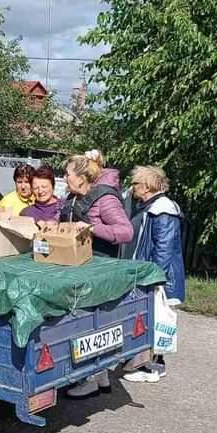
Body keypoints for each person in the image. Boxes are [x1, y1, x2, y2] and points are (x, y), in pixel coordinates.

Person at [60, 151, 134, 399]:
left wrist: (93, 227)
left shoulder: (104, 199)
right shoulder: (72, 197)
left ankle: (90, 378)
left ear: (81, 177)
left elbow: (125, 232)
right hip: (77, 270)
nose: (64, 177)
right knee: (86, 323)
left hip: (99, 270)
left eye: (67, 173)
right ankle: (99, 375)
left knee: (91, 324)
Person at [122, 165, 186, 384]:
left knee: (157, 321)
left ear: (148, 186)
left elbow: (164, 249)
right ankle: (142, 362)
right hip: (147, 273)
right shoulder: (150, 206)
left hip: (158, 278)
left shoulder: (163, 209)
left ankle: (154, 368)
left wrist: (155, 278)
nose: (133, 188)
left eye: (136, 184)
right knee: (148, 319)